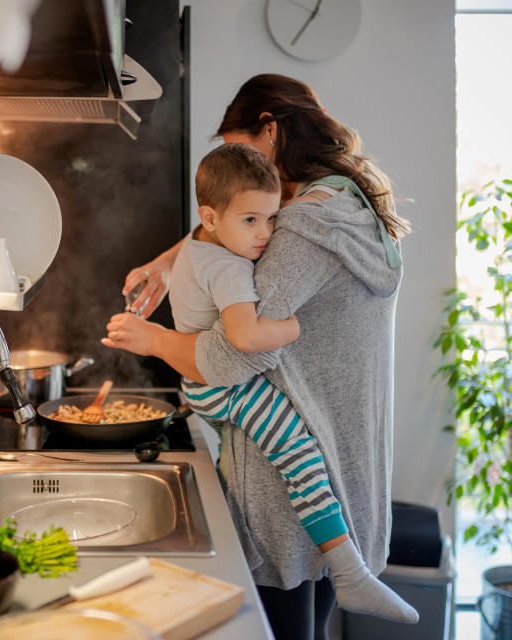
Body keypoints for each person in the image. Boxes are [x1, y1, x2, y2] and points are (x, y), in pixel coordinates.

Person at [102, 73, 412, 640]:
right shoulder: (350, 198)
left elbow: (224, 359)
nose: (239, 169)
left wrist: (153, 339)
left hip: (285, 497)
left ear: (269, 131)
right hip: (343, 468)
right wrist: (173, 261)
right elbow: (242, 216)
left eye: (239, 149)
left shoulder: (303, 225)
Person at [167, 141, 417, 625]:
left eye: (271, 218)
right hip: (222, 387)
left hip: (207, 387)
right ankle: (350, 571)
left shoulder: (206, 244)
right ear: (211, 217)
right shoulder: (226, 267)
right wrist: (291, 329)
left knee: (275, 455)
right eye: (251, 221)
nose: (265, 235)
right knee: (300, 455)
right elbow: (244, 338)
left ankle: (348, 572)